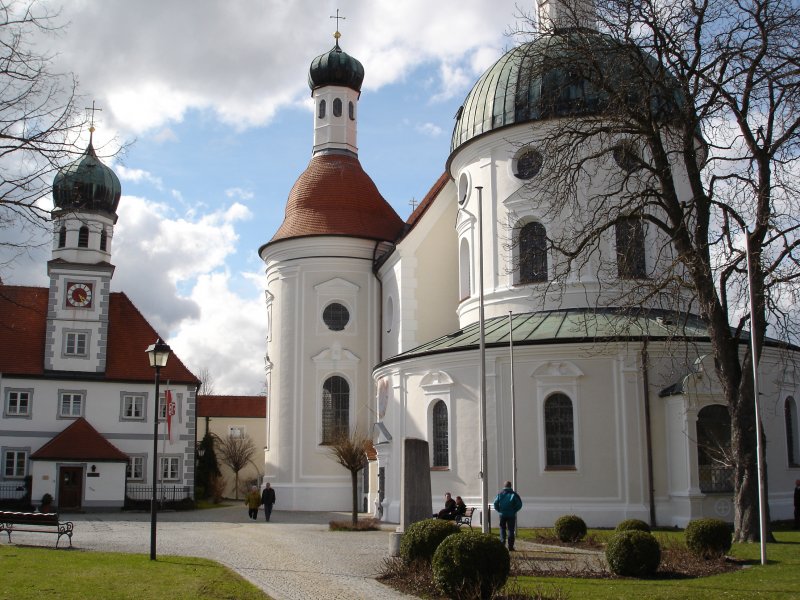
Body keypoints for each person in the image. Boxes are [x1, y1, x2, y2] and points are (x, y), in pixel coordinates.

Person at [493, 480, 522, 551]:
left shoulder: (500, 494)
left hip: (502, 514)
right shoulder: (514, 494)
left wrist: (499, 510)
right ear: (510, 486)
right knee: (511, 530)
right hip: (511, 515)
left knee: (502, 529)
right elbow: (519, 504)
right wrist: (514, 510)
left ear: (504, 486)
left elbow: (495, 503)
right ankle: (510, 546)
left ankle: (502, 544)